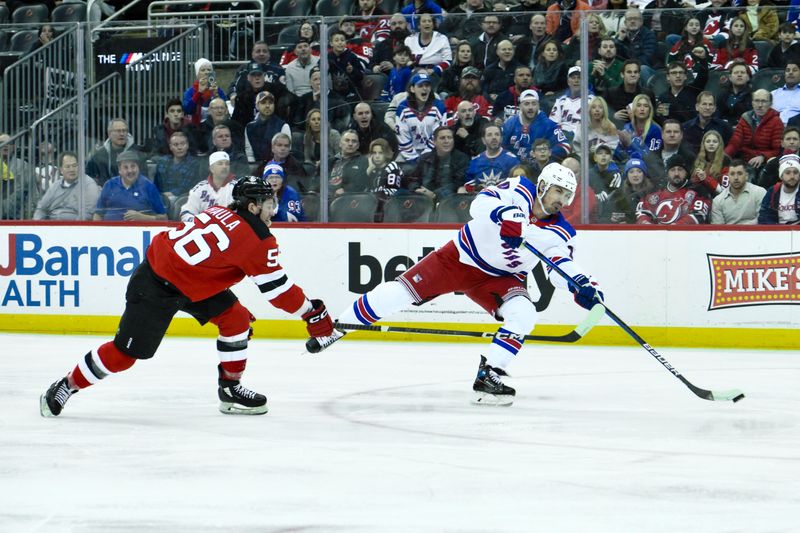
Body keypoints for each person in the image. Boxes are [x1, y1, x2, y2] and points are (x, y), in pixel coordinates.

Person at [306, 163, 604, 406]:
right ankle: (335, 329)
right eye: (557, 191)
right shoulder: (519, 189)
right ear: (542, 186)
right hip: (459, 257)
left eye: (567, 195)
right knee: (397, 293)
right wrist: (507, 217)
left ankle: (489, 373)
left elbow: (558, 267)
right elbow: (479, 205)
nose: (561, 200)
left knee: (525, 314)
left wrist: (581, 285)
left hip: (502, 277)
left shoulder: (562, 231)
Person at [41, 176, 336, 418]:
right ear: (252, 205)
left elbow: (212, 261)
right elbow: (279, 292)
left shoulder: (221, 211)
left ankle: (230, 389)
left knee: (235, 320)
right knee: (124, 355)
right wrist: (313, 312)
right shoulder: (258, 239)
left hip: (187, 280)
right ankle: (65, 385)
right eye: (268, 204)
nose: (273, 210)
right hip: (155, 285)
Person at [636, 155, 711, 225]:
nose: (676, 173)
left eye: (680, 169)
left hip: (686, 236)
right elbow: (642, 212)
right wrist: (650, 227)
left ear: (686, 172)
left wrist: (673, 229)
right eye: (672, 170)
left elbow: (698, 215)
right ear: (667, 173)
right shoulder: (656, 191)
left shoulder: (697, 190)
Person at [93, 151, 168, 222]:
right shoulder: (109, 185)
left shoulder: (148, 186)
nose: (130, 171)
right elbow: (98, 214)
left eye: (133, 166)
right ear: (119, 170)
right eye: (126, 167)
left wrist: (143, 217)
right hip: (109, 232)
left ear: (138, 168)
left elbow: (164, 218)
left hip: (139, 233)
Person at [502, 89, 570, 164]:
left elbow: (565, 146)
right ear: (520, 106)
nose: (530, 107)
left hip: (540, 168)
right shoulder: (510, 124)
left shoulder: (548, 125)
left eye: (534, 104)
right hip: (514, 168)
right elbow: (501, 147)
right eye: (526, 104)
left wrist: (545, 154)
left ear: (538, 106)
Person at [724, 89, 783, 172]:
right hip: (744, 160)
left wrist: (763, 157)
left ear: (770, 104)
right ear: (752, 103)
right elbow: (735, 142)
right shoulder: (745, 118)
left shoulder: (776, 122)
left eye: (764, 101)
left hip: (764, 163)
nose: (760, 105)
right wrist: (725, 156)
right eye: (757, 101)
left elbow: (777, 150)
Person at [395, 72, 446, 165]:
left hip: (433, 153)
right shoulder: (402, 108)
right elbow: (402, 137)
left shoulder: (439, 106)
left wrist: (425, 156)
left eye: (427, 85)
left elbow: (439, 133)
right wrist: (414, 159)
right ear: (412, 89)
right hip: (407, 155)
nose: (425, 88)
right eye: (420, 85)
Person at [33, 152, 101, 221]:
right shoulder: (56, 185)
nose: (71, 169)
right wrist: (37, 224)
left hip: (74, 227)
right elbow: (41, 208)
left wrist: (71, 228)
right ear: (61, 170)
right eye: (67, 167)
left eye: (74, 166)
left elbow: (88, 214)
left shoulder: (88, 184)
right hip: (52, 226)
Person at [411, 126, 469, 201]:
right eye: (442, 138)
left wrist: (434, 195)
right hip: (423, 197)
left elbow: (457, 184)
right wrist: (416, 189)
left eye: (449, 138)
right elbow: (412, 179)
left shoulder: (462, 158)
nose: (446, 141)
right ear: (434, 141)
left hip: (448, 200)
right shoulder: (424, 158)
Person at [180, 151, 237, 223]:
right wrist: (198, 223)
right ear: (211, 168)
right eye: (220, 163)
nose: (224, 166)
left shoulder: (237, 188)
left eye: (227, 164)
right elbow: (186, 212)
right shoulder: (200, 189)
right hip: (203, 230)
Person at [86, 118, 145, 186]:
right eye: (118, 131)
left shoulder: (138, 153)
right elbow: (88, 178)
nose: (122, 134)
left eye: (124, 130)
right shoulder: (99, 155)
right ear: (109, 133)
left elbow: (144, 179)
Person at [464, 124, 520, 192]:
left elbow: (518, 187)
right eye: (489, 135)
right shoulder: (475, 162)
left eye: (497, 134)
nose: (494, 137)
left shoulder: (512, 161)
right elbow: (469, 188)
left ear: (501, 139)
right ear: (483, 140)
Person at [153, 132, 207, 203]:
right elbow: (156, 183)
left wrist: (172, 194)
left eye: (182, 144)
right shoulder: (162, 162)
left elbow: (190, 186)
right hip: (161, 196)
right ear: (170, 147)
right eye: (176, 145)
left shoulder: (195, 163)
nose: (179, 147)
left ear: (187, 145)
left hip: (183, 198)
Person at [600, 157, 656, 224]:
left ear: (644, 174)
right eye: (631, 172)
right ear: (627, 175)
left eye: (639, 171)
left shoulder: (654, 193)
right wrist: (611, 219)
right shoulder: (617, 195)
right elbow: (604, 217)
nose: (635, 175)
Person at [710, 159, 766, 224]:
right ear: (728, 176)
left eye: (739, 173)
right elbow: (718, 229)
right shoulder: (718, 201)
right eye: (732, 174)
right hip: (728, 234)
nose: (736, 177)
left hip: (755, 233)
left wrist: (741, 229)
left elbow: (762, 219)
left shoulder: (759, 192)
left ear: (746, 176)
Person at [244, 91, 291, 165]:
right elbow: (249, 154)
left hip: (279, 165)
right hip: (257, 167)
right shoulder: (249, 127)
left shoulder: (283, 126)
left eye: (270, 103)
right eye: (263, 103)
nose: (267, 106)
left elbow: (287, 151)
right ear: (257, 106)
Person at [549, 66, 594, 140]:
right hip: (561, 137)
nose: (576, 80)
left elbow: (591, 126)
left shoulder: (592, 101)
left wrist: (571, 134)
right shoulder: (561, 101)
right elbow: (552, 123)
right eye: (573, 78)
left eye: (579, 77)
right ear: (568, 81)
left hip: (582, 139)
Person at [405, 13, 452, 78]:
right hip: (413, 73)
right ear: (419, 25)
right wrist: (414, 69)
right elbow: (405, 60)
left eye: (429, 21)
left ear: (433, 25)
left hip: (434, 74)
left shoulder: (442, 39)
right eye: (424, 21)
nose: (427, 23)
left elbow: (448, 61)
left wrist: (435, 70)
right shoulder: (409, 40)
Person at [183, 58, 227, 127]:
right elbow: (187, 110)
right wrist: (199, 92)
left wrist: (216, 96)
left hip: (216, 126)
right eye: (203, 70)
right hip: (196, 128)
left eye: (209, 70)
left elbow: (225, 109)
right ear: (197, 74)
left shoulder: (218, 90)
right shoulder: (190, 91)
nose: (206, 72)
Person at [758, 154, 800, 224]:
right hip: (777, 232)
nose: (792, 176)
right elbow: (764, 217)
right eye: (788, 173)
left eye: (795, 172)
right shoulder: (773, 191)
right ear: (781, 176)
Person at [329, 130, 371, 196]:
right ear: (340, 144)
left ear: (358, 145)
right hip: (326, 198)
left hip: (349, 198)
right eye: (347, 140)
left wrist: (345, 190)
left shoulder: (363, 161)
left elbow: (361, 183)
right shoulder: (329, 161)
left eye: (354, 141)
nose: (350, 144)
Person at [690, 130, 730, 198]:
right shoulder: (699, 160)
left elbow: (724, 191)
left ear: (719, 144)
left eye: (715, 141)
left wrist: (706, 178)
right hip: (701, 197)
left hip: (720, 198)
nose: (711, 144)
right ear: (703, 144)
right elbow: (693, 185)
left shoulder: (725, 161)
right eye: (708, 141)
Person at [716, 60, 754, 129]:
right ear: (730, 77)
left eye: (742, 72)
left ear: (748, 77)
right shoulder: (722, 96)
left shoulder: (753, 97)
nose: (739, 75)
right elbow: (716, 118)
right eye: (736, 72)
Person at [771, 61, 800, 125]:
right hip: (774, 129)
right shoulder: (773, 94)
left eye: (794, 70)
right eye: (788, 70)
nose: (790, 72)